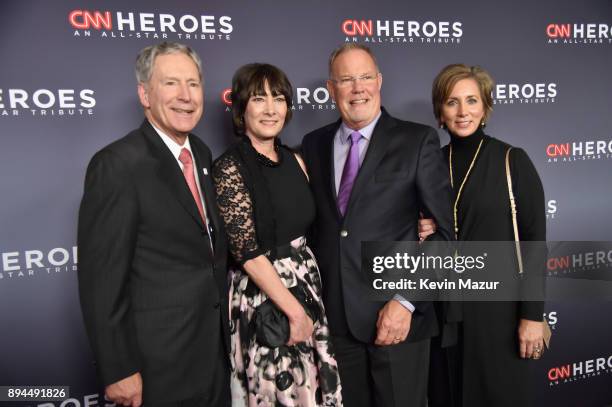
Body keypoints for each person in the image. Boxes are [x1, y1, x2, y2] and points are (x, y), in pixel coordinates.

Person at [77, 42, 230, 407]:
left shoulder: (203, 154)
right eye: (171, 84)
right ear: (145, 94)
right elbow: (102, 280)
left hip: (212, 358)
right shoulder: (117, 165)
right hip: (155, 368)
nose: (185, 96)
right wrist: (118, 369)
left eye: (193, 84)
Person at [301, 43, 453, 407]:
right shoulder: (312, 144)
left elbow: (446, 236)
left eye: (366, 77)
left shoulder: (417, 140)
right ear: (330, 88)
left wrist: (405, 303)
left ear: (379, 81)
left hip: (397, 319)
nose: (358, 88)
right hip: (336, 322)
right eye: (347, 79)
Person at [212, 63, 342, 407]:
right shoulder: (229, 168)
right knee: (278, 392)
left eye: (279, 98)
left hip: (306, 289)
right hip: (265, 299)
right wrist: (295, 313)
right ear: (241, 108)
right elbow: (247, 253)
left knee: (311, 391)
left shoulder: (295, 160)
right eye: (259, 99)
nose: (271, 109)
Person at [425, 63, 546, 406]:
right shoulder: (431, 163)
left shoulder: (512, 161)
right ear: (440, 111)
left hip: (500, 315)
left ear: (485, 107)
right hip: (444, 311)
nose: (463, 112)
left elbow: (535, 244)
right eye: (452, 102)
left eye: (472, 100)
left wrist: (532, 316)